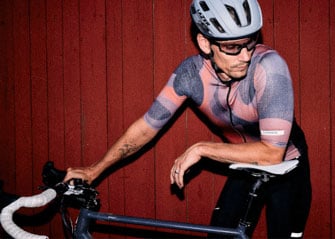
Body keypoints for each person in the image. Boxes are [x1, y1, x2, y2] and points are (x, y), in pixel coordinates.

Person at [64, 0, 312, 238]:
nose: (245, 56)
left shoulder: (269, 67)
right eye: (232, 47)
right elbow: (146, 128)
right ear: (205, 43)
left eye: (250, 43)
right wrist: (94, 170)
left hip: (287, 165)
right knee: (220, 235)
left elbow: (271, 154)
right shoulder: (191, 75)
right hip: (244, 161)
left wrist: (201, 149)